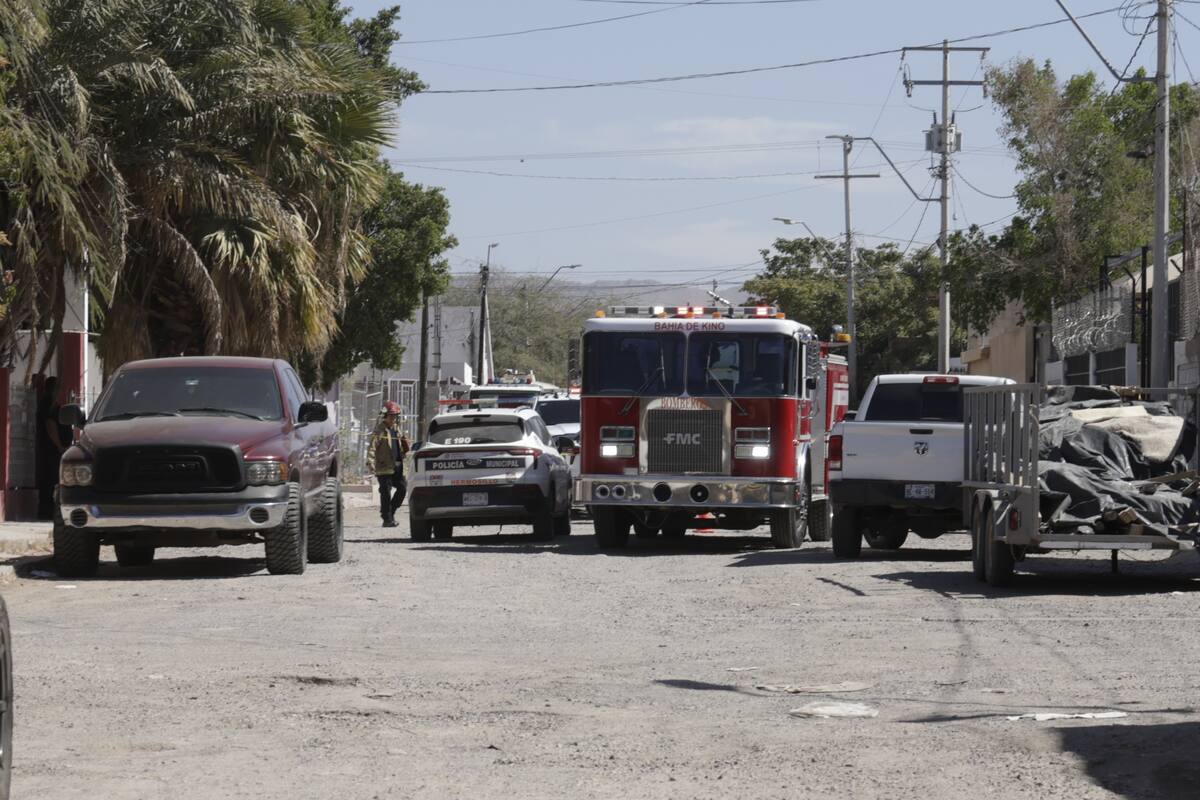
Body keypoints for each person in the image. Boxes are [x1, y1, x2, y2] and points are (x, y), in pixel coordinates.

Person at [368, 401, 410, 528]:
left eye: (395, 416)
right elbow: (372, 447)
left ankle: (390, 512)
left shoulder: (396, 429)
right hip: (384, 467)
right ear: (385, 416)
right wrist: (370, 462)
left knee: (402, 489)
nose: (393, 418)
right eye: (391, 416)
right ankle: (387, 519)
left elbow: (402, 446)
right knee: (386, 493)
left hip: (397, 466)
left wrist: (405, 443)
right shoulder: (379, 430)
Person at [36, 376, 71, 520]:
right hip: (51, 450)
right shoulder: (48, 403)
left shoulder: (50, 403)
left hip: (52, 450)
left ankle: (48, 511)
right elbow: (51, 426)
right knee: (50, 481)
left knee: (51, 481)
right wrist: (60, 446)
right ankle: (46, 512)